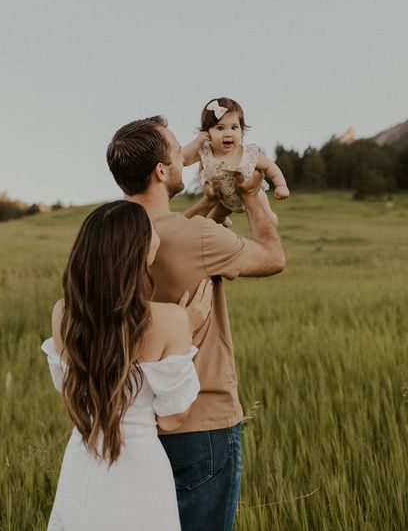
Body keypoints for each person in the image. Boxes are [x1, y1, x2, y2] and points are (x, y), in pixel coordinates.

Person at [106, 117, 286, 531]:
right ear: (161, 171)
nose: (189, 153)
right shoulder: (198, 236)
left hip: (130, 421)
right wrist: (252, 191)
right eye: (176, 150)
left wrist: (213, 205)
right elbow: (273, 258)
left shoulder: (106, 235)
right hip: (200, 423)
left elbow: (171, 231)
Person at [41, 200, 213, 531]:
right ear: (137, 250)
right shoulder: (172, 319)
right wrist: (186, 328)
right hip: (138, 471)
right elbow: (173, 418)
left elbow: (73, 393)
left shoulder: (63, 312)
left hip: (82, 460)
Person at [181, 97, 290, 227]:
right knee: (211, 221)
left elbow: (270, 166)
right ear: (207, 132)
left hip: (254, 195)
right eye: (220, 128)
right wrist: (196, 142)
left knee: (267, 221)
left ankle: (271, 218)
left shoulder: (247, 153)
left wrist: (281, 186)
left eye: (234, 127)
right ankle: (222, 220)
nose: (228, 133)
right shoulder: (206, 152)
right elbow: (183, 159)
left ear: (241, 130)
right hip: (224, 200)